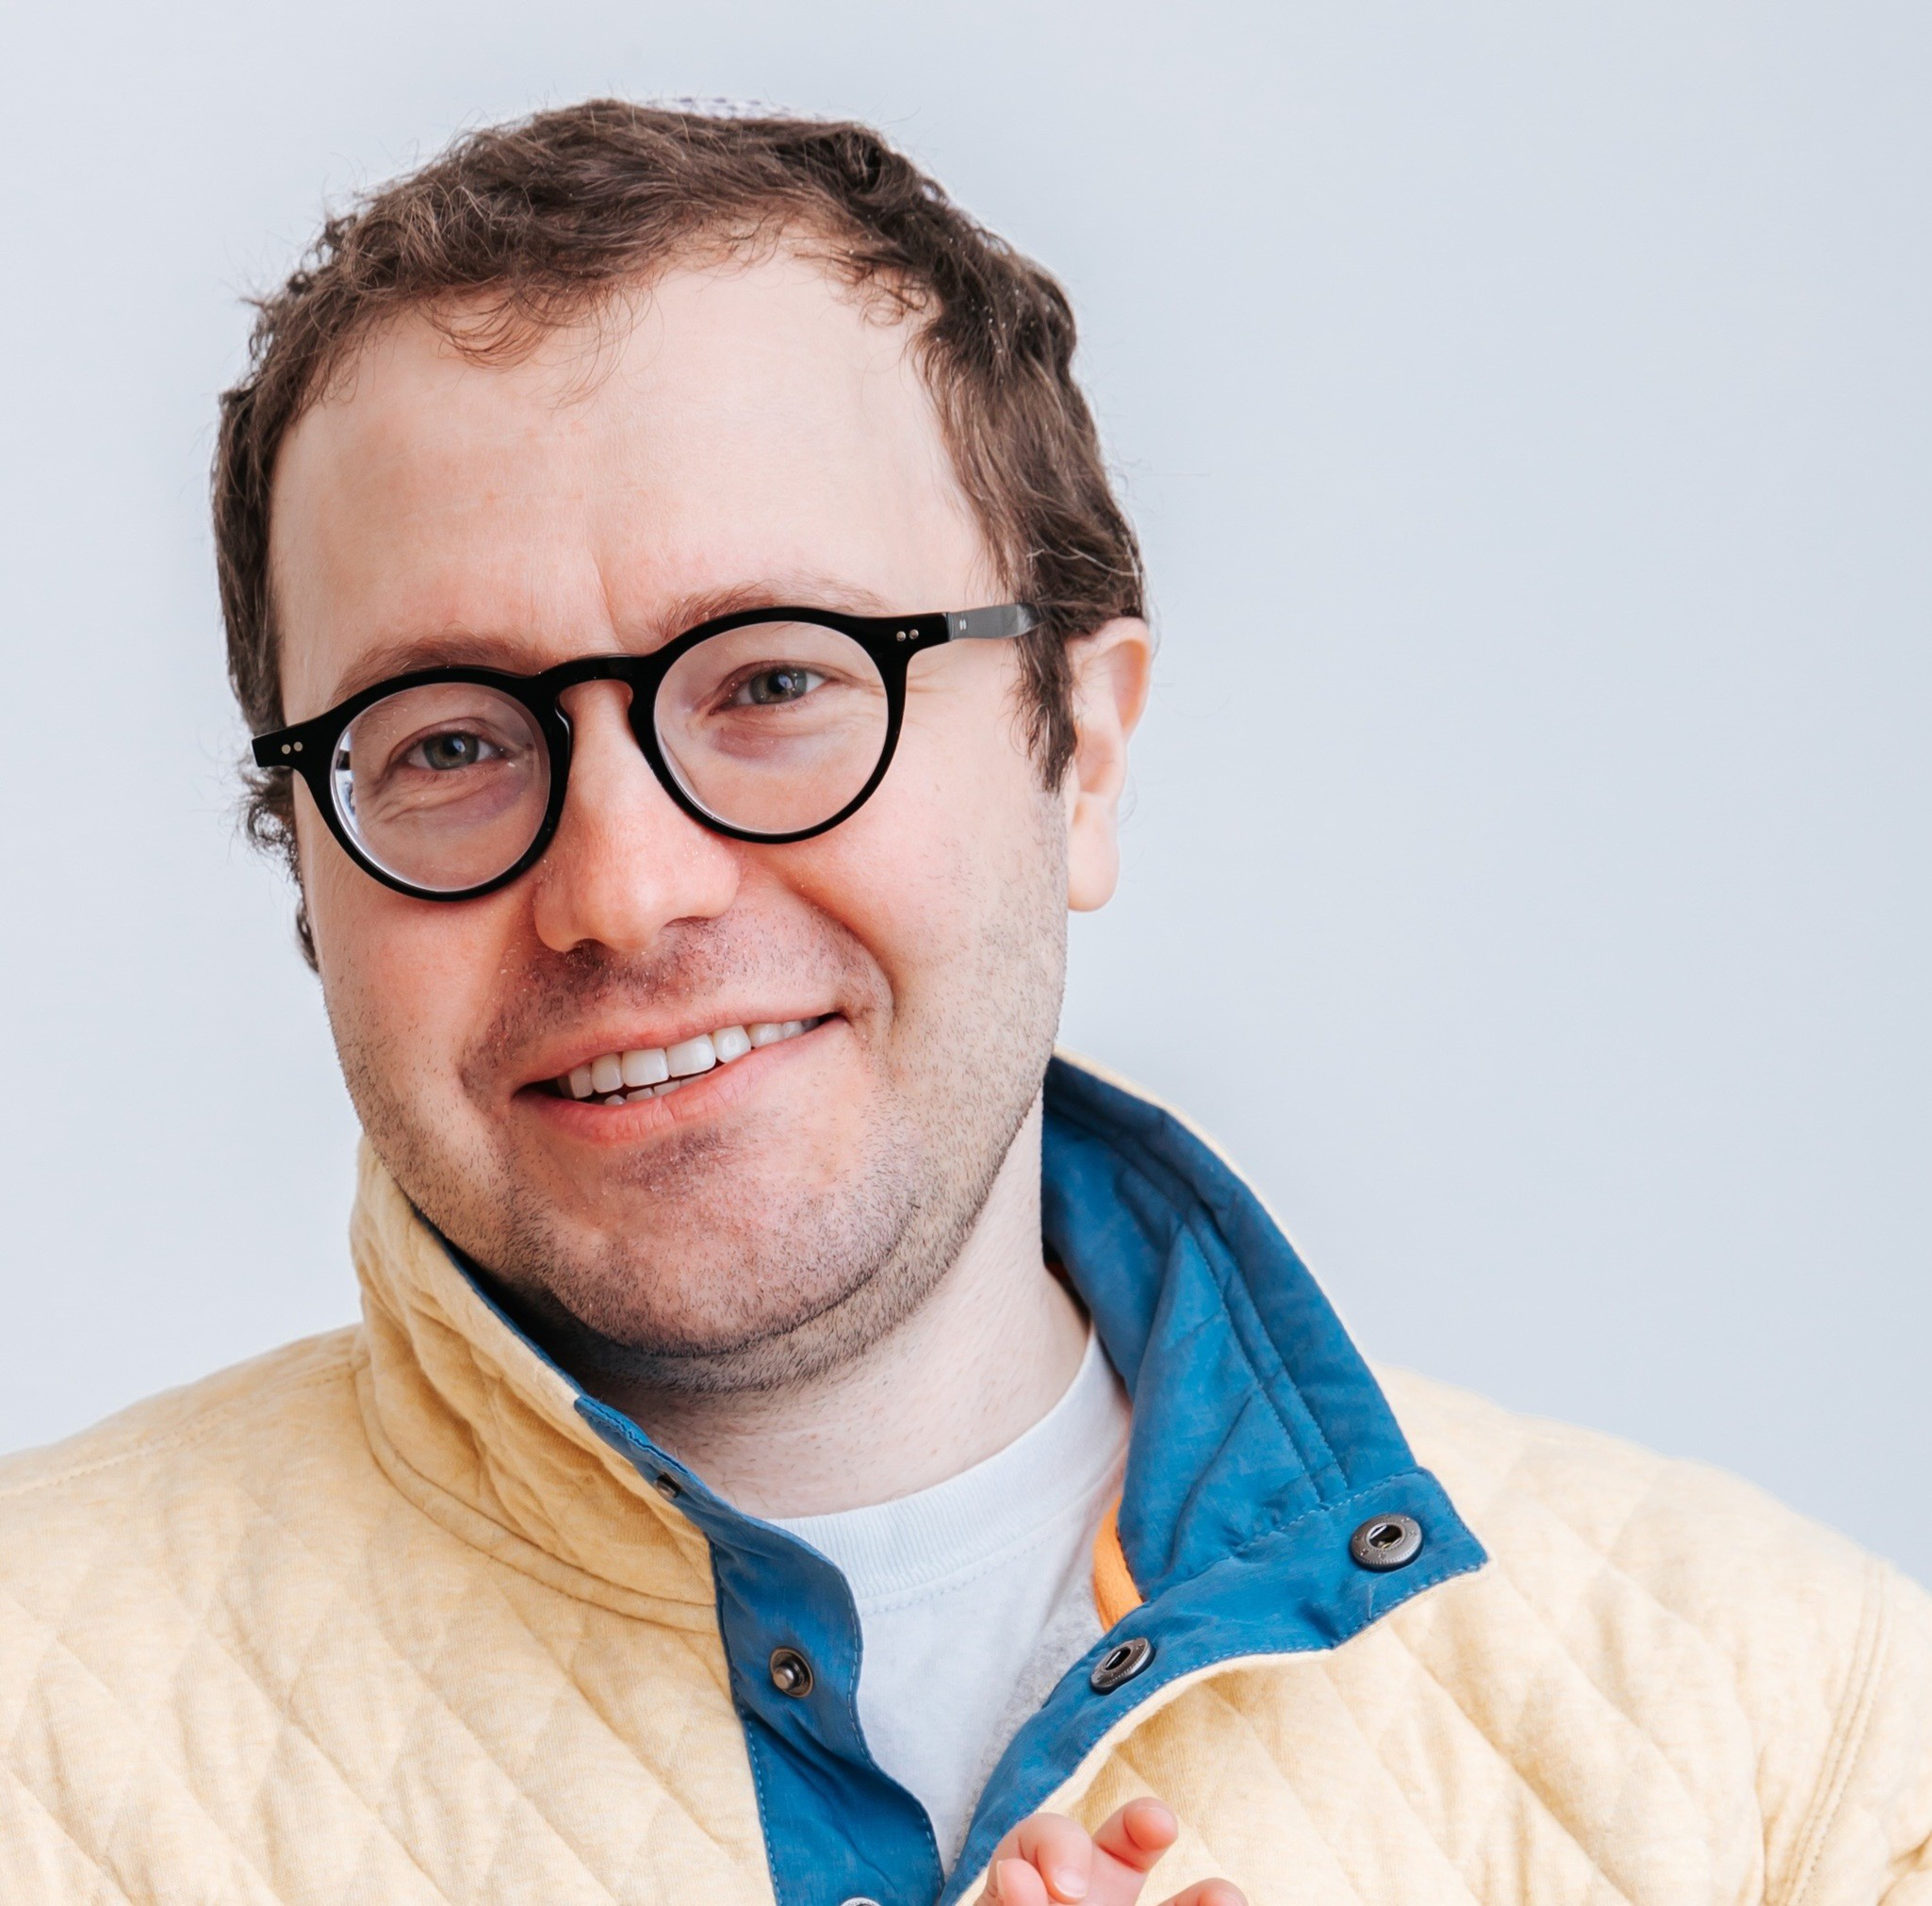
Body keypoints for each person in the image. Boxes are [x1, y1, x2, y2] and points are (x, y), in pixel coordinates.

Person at [1, 100, 1927, 1906]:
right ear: (310, 871)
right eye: (444, 743)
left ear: (1078, 750)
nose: (622, 889)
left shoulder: (1795, 1747)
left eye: (773, 683)